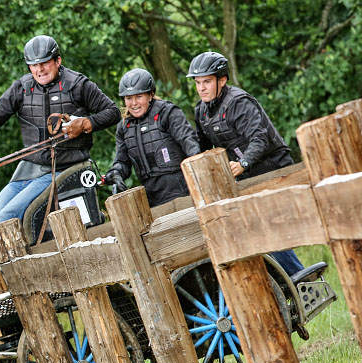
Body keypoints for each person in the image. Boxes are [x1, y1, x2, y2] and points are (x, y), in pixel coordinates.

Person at [0, 35, 120, 274]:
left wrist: (84, 123)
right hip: (28, 170)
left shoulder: (78, 84)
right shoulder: (21, 88)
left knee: (6, 218)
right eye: (33, 65)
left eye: (45, 63)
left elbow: (113, 112)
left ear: (57, 61)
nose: (39, 69)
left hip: (64, 169)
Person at [186, 51, 303, 275]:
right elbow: (201, 149)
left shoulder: (239, 102)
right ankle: (286, 281)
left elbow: (260, 138)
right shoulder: (201, 111)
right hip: (246, 178)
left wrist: (243, 163)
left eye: (206, 82)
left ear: (222, 80)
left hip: (273, 169)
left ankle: (298, 277)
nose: (201, 88)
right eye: (198, 83)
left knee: (265, 229)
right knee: (248, 232)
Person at [103, 68, 199, 207]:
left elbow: (188, 140)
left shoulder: (167, 112)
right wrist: (115, 173)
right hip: (151, 198)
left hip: (182, 190)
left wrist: (198, 161)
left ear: (150, 94)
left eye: (139, 96)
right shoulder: (124, 127)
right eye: (129, 98)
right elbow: (122, 161)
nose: (134, 103)